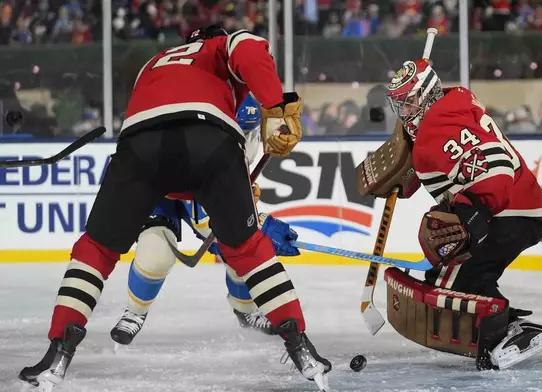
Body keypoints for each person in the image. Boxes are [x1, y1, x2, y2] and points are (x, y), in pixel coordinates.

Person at [19, 26, 331, 392]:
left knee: (96, 248)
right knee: (244, 249)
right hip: (209, 143)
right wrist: (275, 108)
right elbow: (249, 51)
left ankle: (58, 349)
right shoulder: (221, 50)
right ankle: (300, 345)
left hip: (141, 144)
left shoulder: (154, 63)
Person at [386, 58, 542, 369]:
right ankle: (506, 321)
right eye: (400, 105)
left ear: (427, 95)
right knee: (446, 277)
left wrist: (470, 214)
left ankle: (514, 329)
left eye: (409, 103)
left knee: (455, 284)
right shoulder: (447, 109)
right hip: (511, 209)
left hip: (511, 212)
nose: (405, 112)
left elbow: (498, 166)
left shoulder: (440, 127)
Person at [109, 95, 296, 346]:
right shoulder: (194, 131)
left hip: (201, 179)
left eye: (248, 132)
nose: (244, 140)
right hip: (158, 185)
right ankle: (135, 311)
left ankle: (245, 309)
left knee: (240, 243)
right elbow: (207, 221)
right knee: (156, 253)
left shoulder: (240, 110)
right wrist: (259, 227)